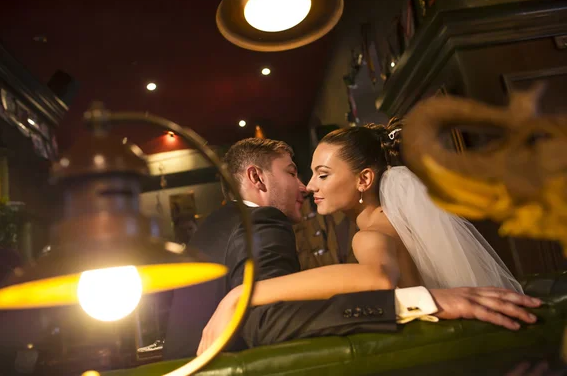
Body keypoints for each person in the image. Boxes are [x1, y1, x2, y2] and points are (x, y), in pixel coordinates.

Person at [160, 137, 539, 359]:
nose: (307, 186)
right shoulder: (261, 220)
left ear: (364, 179)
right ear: (256, 178)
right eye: (295, 173)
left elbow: (373, 276)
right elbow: (271, 323)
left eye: (319, 174)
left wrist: (243, 294)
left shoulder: (213, 228)